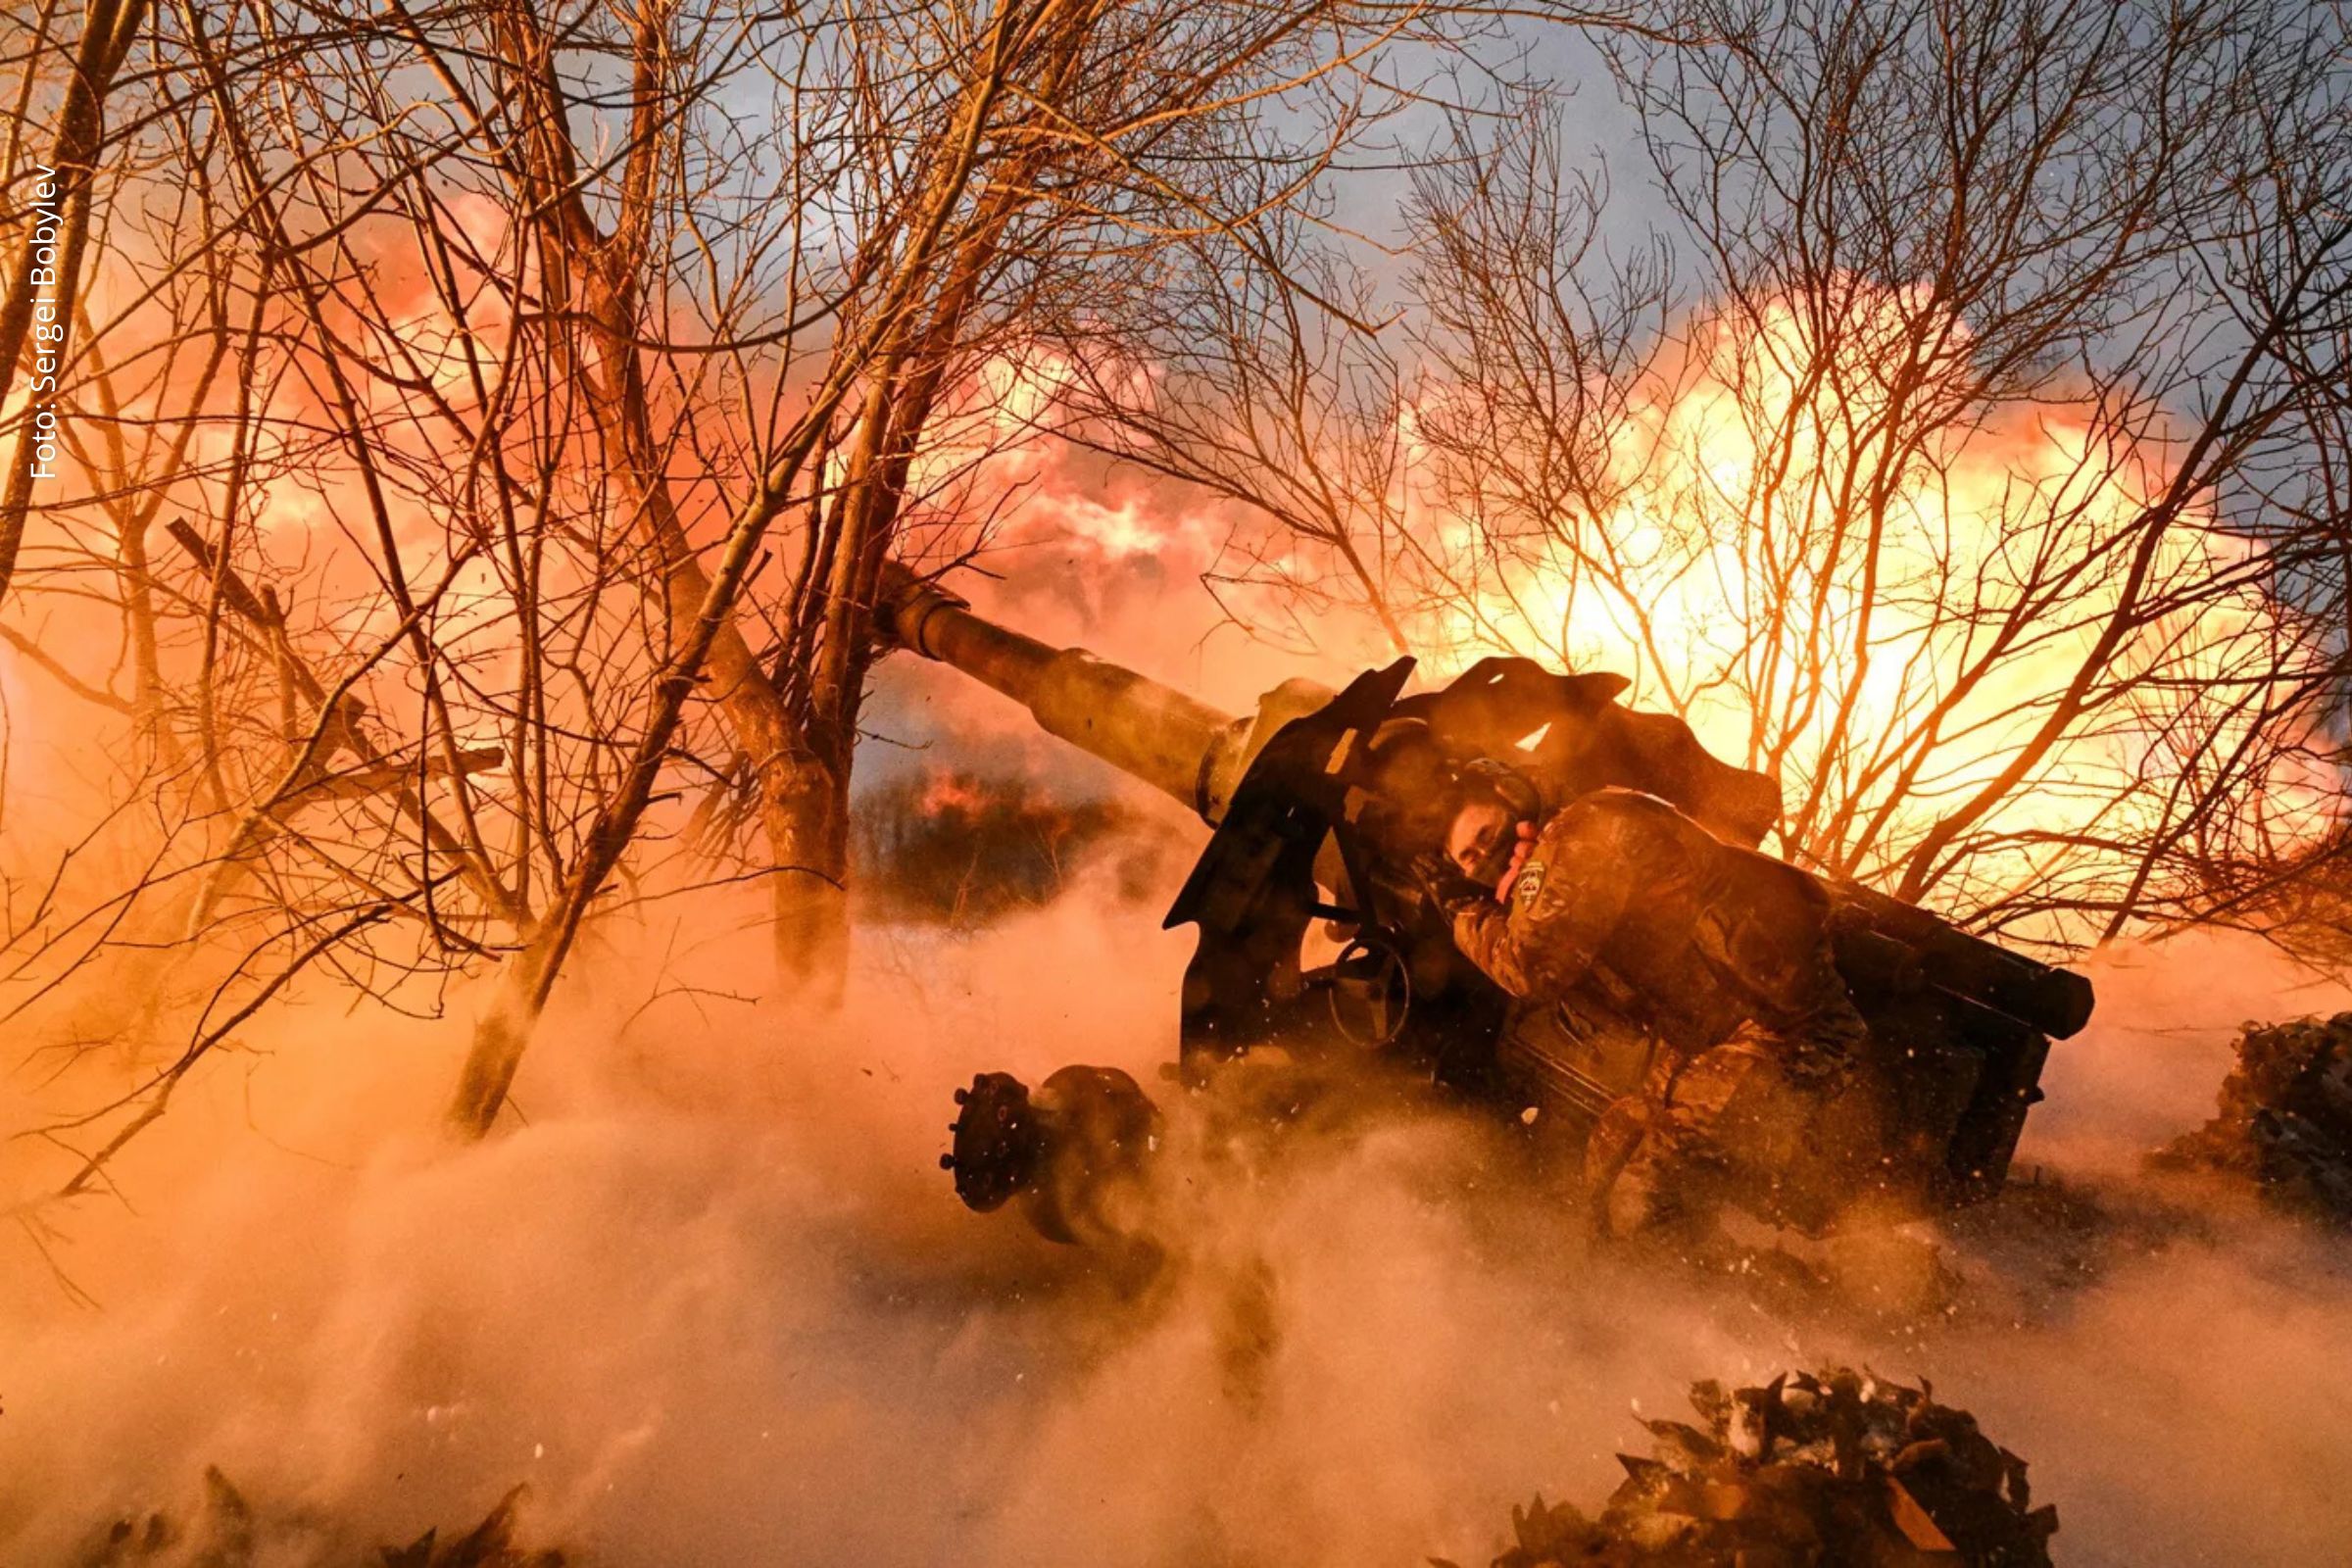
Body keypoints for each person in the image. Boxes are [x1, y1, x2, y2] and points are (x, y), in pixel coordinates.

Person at [1421, 767, 1883, 1238]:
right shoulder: (1567, 842)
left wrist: (1464, 912)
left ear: (1514, 803)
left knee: (1642, 1197)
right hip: (1717, 1038)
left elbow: (1528, 967)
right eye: (1471, 858)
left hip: (1791, 1030)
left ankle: (1687, 1306)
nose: (1488, 856)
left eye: (1488, 833)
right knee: (1610, 1148)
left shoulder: (1585, 830)